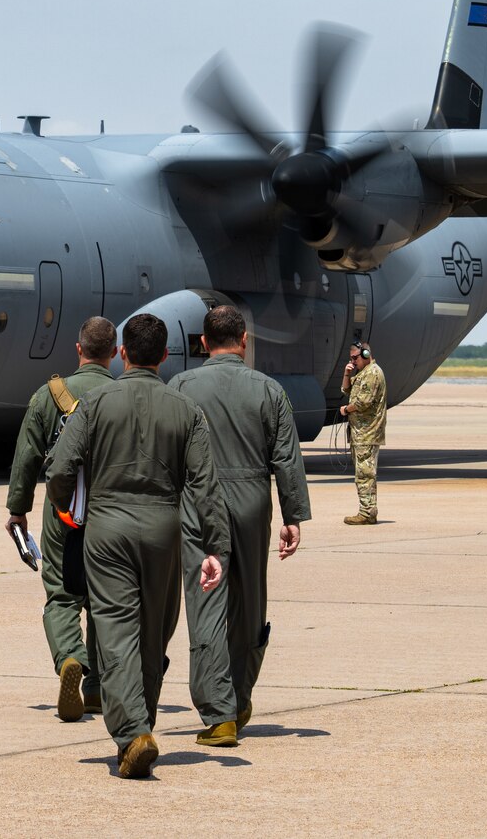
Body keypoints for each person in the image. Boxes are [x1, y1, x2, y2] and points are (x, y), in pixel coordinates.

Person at [45, 313, 228, 779]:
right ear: (165, 356)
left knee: (115, 630)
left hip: (107, 528)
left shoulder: (95, 403)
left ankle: (133, 733)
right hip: (165, 528)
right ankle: (138, 721)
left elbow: (61, 469)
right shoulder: (186, 410)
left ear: (123, 353)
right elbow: (205, 485)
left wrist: (70, 511)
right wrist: (215, 548)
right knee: (155, 630)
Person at [171, 305, 310, 748]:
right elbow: (286, 457)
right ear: (244, 341)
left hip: (199, 502)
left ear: (204, 342)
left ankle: (218, 713)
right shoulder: (269, 390)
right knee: (249, 602)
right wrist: (292, 516)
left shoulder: (181, 387)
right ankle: (241, 696)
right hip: (252, 500)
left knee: (206, 603)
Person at [5, 316, 117, 721]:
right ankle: (100, 688)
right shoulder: (121, 395)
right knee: (107, 599)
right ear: (115, 353)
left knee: (62, 594)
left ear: (78, 349)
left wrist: (18, 510)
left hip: (63, 510)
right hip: (112, 511)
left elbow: (27, 457)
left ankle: (70, 657)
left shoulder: (49, 396)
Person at [339, 342, 387, 525]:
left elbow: (362, 403)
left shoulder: (372, 373)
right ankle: (368, 510)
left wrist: (345, 410)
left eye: (355, 358)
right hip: (360, 433)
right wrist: (346, 373)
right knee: (362, 473)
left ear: (366, 355)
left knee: (365, 474)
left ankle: (367, 513)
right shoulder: (362, 373)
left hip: (367, 433)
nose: (353, 361)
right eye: (351, 358)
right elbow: (346, 390)